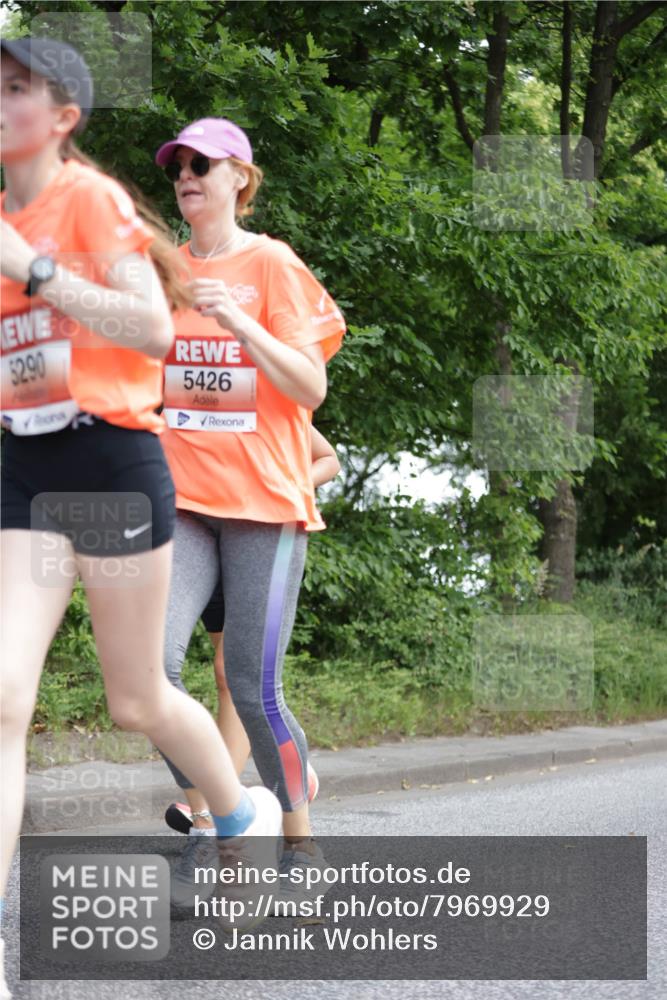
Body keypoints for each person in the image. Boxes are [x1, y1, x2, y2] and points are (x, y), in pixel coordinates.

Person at [0, 39, 281, 994]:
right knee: (3, 696)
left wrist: (32, 268)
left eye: (13, 91)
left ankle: (236, 809)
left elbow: (152, 330)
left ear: (62, 115)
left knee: (137, 699)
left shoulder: (86, 201)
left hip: (113, 461)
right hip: (21, 465)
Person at [152, 117, 346, 908]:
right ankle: (221, 818)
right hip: (183, 502)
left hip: (263, 505)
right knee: (149, 671)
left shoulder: (271, 264)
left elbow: (309, 387)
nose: (186, 175)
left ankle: (300, 840)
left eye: (203, 163)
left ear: (240, 177)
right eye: (177, 167)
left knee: (252, 686)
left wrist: (236, 318)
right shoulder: (160, 271)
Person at [164, 424, 341, 836]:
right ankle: (209, 815)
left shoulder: (262, 384)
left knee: (240, 680)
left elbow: (328, 459)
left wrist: (290, 486)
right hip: (188, 520)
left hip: (260, 523)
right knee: (153, 673)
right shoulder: (171, 378)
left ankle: (296, 843)